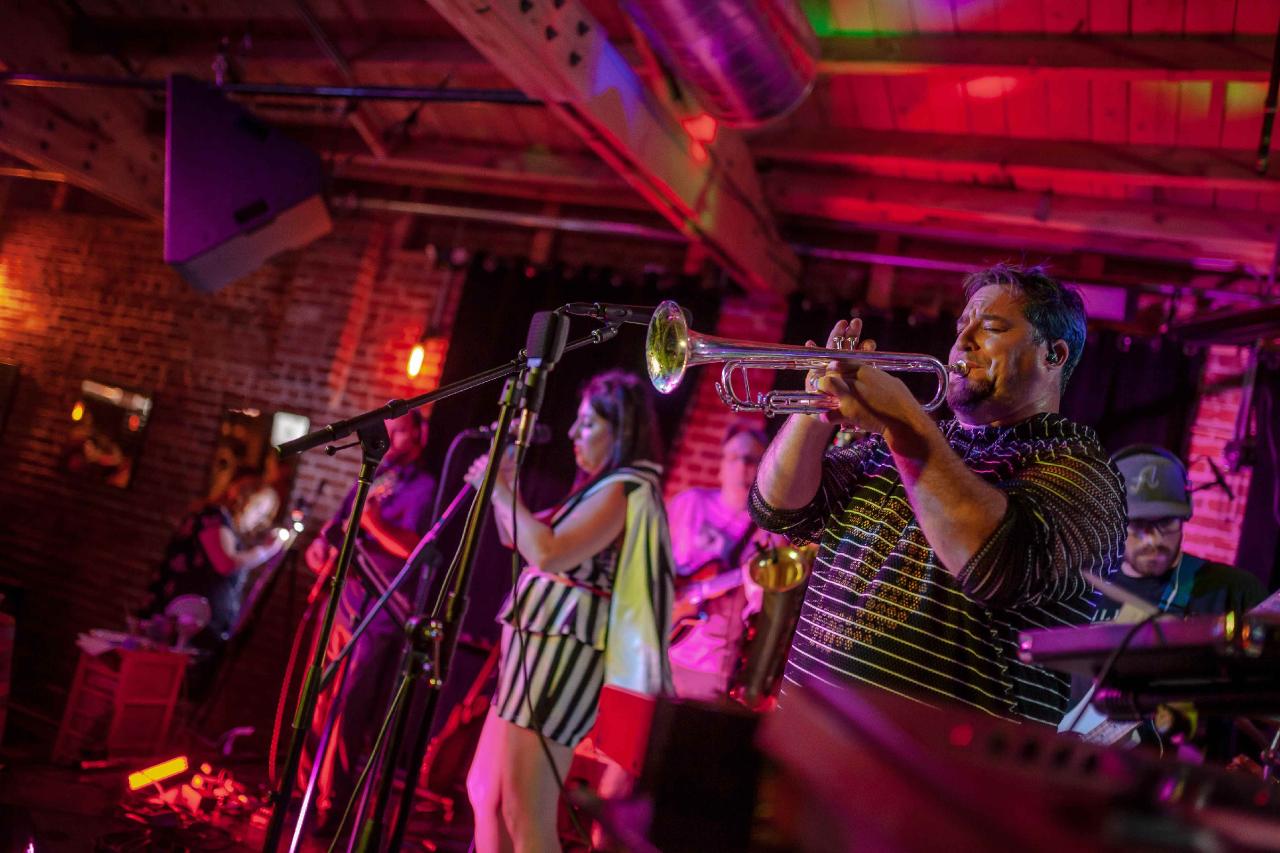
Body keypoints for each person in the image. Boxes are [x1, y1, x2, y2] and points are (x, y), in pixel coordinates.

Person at [750, 263, 1127, 725]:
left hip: (940, 765)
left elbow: (994, 566)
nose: (963, 341)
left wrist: (903, 423)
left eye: (991, 328)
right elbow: (779, 510)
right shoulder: (904, 441)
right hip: (801, 739)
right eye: (961, 326)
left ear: (1054, 354)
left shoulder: (1083, 473)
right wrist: (817, 403)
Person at [464, 370, 674, 853]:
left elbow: (549, 552)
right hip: (538, 650)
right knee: (486, 791)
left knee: (524, 810)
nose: (573, 433)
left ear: (621, 431)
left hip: (563, 652)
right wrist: (505, 484)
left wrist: (498, 491)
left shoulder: (627, 486)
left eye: (588, 423)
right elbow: (520, 537)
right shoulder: (600, 487)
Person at [299, 409, 437, 834]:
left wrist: (374, 523)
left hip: (377, 609)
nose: (391, 438)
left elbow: (418, 548)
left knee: (348, 705)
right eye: (388, 430)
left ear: (419, 435)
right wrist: (320, 546)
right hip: (342, 598)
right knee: (316, 696)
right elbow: (337, 526)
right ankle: (300, 793)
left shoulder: (424, 486)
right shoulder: (374, 474)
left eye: (400, 431)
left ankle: (331, 805)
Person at [667, 420, 775, 701]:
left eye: (751, 459)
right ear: (720, 467)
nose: (741, 466)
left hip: (710, 665)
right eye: (733, 457)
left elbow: (764, 607)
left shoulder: (768, 530)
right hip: (657, 643)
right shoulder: (689, 503)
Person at [1106, 444, 1264, 617]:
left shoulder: (1236, 591)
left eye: (1166, 521)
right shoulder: (1087, 592)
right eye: (1137, 524)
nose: (1153, 540)